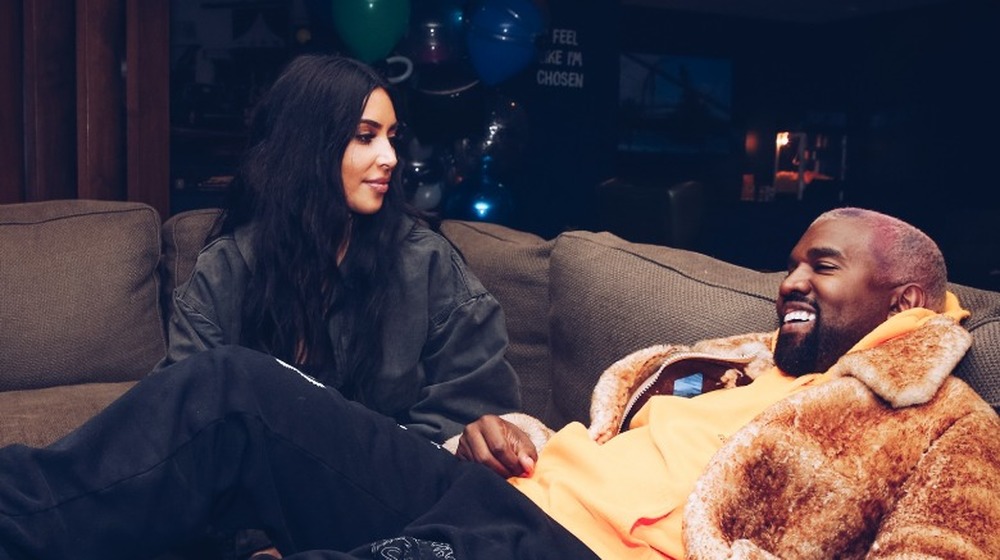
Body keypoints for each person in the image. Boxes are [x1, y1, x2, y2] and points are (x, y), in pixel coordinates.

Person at [1, 208, 998, 559]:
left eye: (820, 264)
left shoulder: (945, 418)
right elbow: (605, 451)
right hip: (495, 492)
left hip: (565, 551)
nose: (787, 278)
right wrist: (493, 429)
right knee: (235, 389)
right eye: (788, 261)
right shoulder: (731, 359)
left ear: (909, 292)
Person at [155, 54, 523, 557]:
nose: (391, 157)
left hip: (392, 510)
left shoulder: (427, 264)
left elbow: (472, 408)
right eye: (366, 136)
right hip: (257, 527)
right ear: (307, 147)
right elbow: (187, 431)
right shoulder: (227, 271)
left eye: (392, 136)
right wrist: (256, 544)